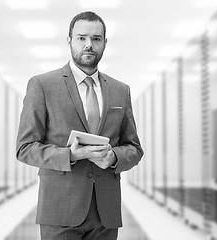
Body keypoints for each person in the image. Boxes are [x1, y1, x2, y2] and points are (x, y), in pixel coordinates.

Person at [16, 11, 143, 240]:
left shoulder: (120, 90)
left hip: (105, 213)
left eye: (96, 39)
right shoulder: (42, 85)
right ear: (69, 41)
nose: (89, 45)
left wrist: (114, 157)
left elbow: (134, 148)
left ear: (104, 42)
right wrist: (70, 155)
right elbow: (24, 148)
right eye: (81, 38)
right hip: (60, 211)